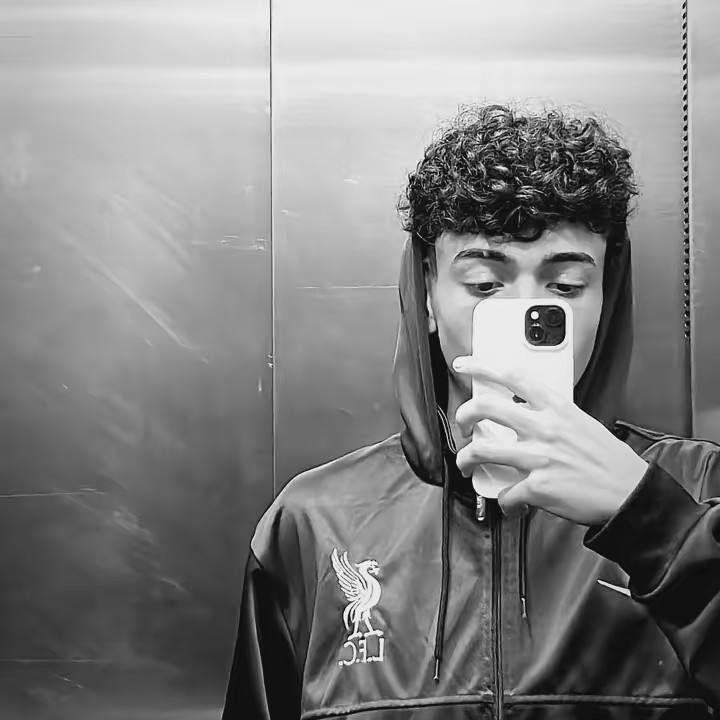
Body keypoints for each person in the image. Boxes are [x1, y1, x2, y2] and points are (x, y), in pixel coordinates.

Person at [222, 104, 720, 719]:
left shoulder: (699, 491)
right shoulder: (314, 524)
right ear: (428, 296)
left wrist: (651, 523)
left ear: (605, 298)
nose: (526, 308)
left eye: (566, 287)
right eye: (485, 284)